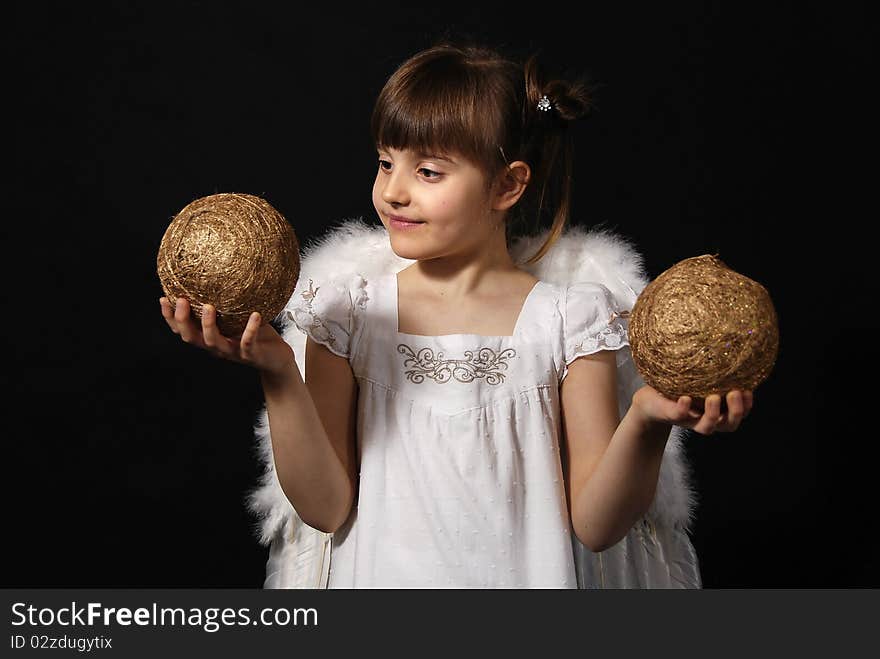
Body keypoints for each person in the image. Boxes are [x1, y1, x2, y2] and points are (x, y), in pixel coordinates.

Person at [159, 42, 754, 588]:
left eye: (428, 171)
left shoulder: (570, 322)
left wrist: (649, 419)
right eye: (385, 161)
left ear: (507, 186)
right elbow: (326, 508)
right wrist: (278, 372)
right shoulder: (347, 315)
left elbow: (598, 526)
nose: (393, 191)